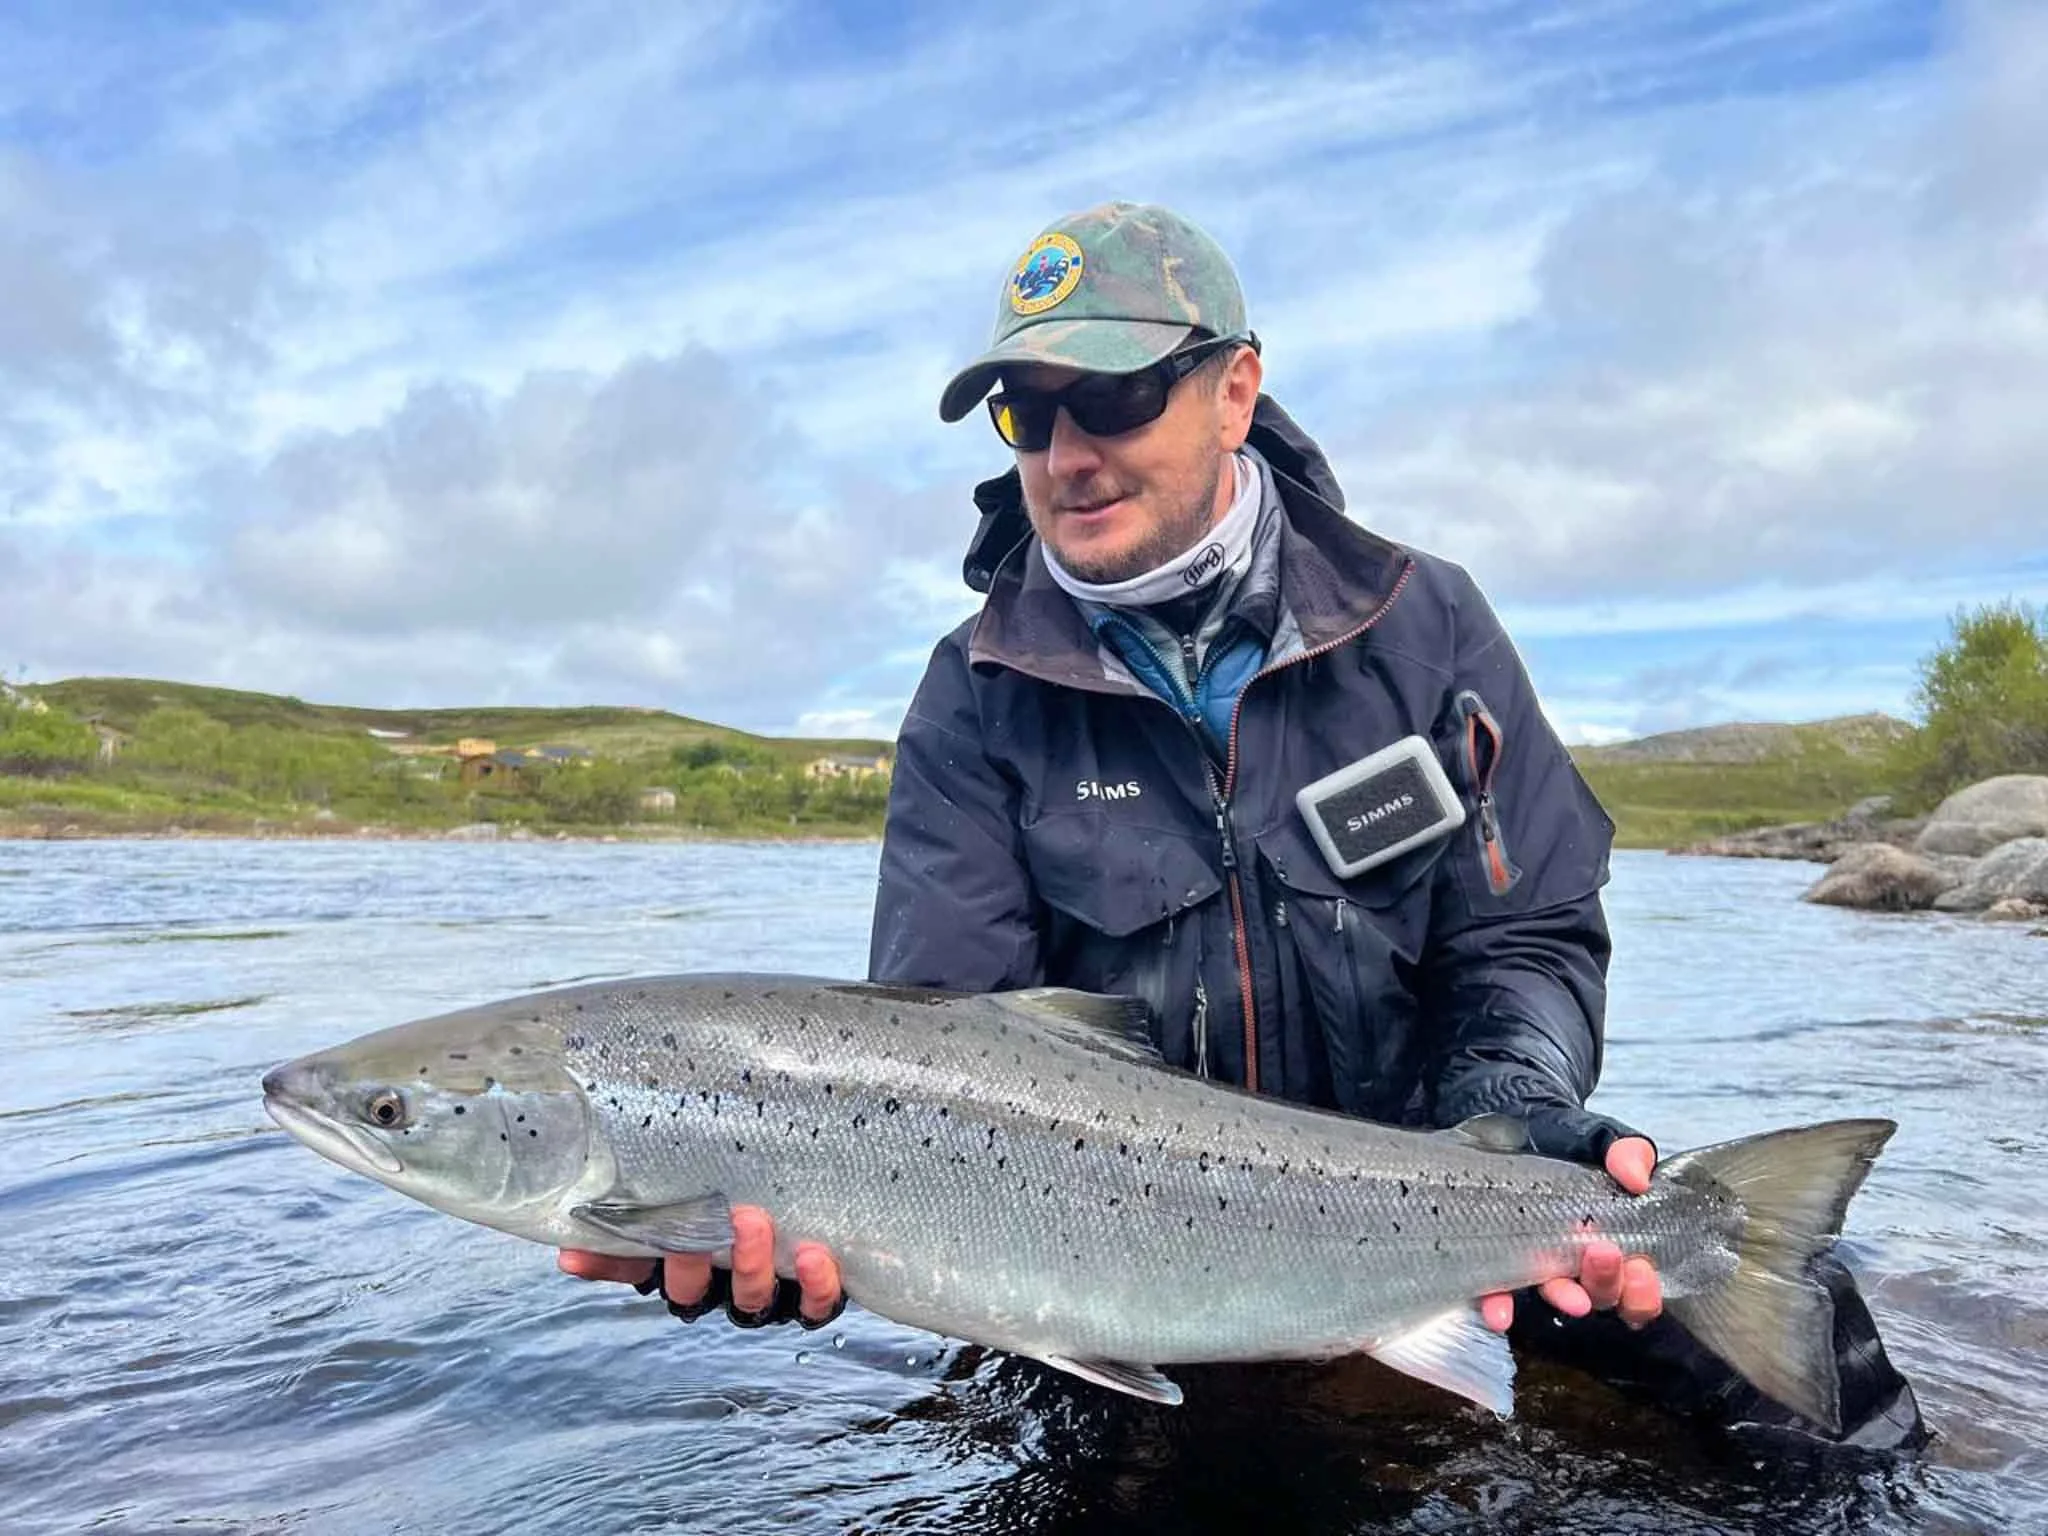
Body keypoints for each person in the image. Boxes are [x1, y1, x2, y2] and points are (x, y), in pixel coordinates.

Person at [560, 202, 1924, 1449]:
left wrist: (1515, 1110)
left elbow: (1529, 935)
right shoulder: (973, 697)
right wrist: (770, 1228)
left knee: (1819, 1401)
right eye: (1027, 417)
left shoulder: (1423, 627)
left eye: (1113, 397)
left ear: (1235, 391)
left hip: (1433, 1204)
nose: (1068, 455)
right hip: (1107, 1272)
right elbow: (941, 1043)